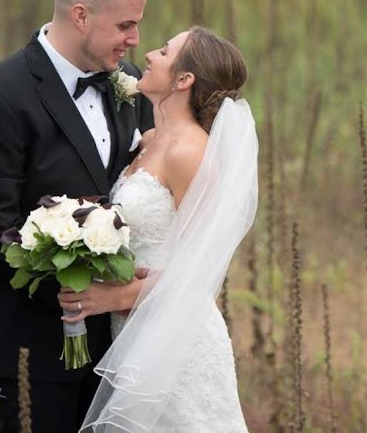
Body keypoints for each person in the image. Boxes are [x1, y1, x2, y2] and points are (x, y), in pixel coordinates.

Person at [0, 0, 154, 433]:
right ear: (80, 15)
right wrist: (83, 284)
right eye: (125, 24)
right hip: (34, 343)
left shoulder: (130, 89)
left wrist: (122, 294)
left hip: (123, 344)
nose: (136, 39)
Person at [57, 26, 258, 432]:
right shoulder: (148, 138)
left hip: (178, 340)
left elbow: (200, 269)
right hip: (133, 329)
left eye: (165, 52)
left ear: (184, 80)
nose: (149, 54)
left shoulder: (190, 152)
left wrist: (112, 298)